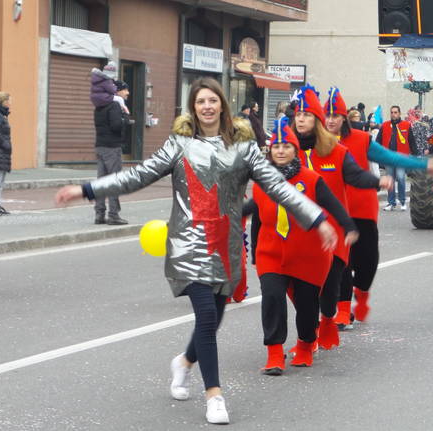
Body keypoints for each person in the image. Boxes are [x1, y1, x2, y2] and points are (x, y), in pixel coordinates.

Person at [55, 77, 337, 425]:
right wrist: (86, 190)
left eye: (212, 101)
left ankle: (185, 362)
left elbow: (279, 188)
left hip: (225, 246)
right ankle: (214, 395)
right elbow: (136, 176)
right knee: (206, 315)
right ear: (193, 107)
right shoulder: (179, 144)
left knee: (215, 316)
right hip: (188, 244)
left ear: (222, 105)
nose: (207, 107)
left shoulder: (245, 148)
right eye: (200, 101)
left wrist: (317, 218)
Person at [322, 87, 433, 326]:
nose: (330, 121)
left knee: (366, 261)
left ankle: (363, 295)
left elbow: (392, 158)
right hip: (334, 211)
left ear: (344, 118)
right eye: (326, 116)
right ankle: (343, 309)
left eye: (335, 116)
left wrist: (422, 164)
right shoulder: (318, 143)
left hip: (362, 208)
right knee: (341, 262)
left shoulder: (361, 139)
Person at [244, 117, 358, 373]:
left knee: (307, 305)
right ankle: (274, 353)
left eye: (286, 146)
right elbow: (253, 212)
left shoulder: (311, 179)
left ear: (295, 150)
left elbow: (333, 206)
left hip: (308, 254)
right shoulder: (263, 181)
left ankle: (306, 344)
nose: (281, 151)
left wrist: (349, 227)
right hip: (271, 253)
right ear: (270, 151)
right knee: (272, 298)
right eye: (276, 147)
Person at [292, 85, 392, 350]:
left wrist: (378, 180)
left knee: (339, 279)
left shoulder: (340, 148)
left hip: (337, 225)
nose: (301, 119)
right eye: (297, 114)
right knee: (300, 289)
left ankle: (331, 317)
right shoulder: (287, 149)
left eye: (307, 114)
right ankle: (308, 334)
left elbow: (357, 174)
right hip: (300, 230)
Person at [93, 80, 130, 225]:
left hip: (100, 146)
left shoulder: (99, 106)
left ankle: (99, 214)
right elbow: (116, 126)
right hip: (112, 147)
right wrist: (126, 119)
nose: (127, 93)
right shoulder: (115, 106)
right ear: (117, 91)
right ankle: (113, 215)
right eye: (125, 90)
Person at [376, 105, 416, 211]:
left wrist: (416, 155)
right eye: (392, 112)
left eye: (395, 112)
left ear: (399, 113)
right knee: (390, 181)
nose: (393, 114)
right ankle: (391, 203)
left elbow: (411, 141)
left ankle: (402, 201)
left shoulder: (406, 125)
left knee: (401, 178)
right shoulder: (385, 125)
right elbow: (378, 142)